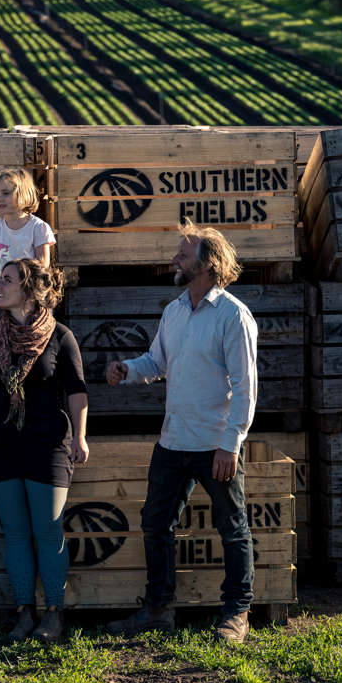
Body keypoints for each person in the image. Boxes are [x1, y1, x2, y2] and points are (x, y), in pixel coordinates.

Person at [104, 221, 258, 644]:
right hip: (173, 441)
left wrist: (230, 444)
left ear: (207, 264)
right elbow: (157, 363)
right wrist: (128, 370)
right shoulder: (173, 311)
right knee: (155, 524)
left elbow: (246, 387)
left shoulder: (233, 315)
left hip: (215, 445)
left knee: (233, 528)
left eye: (183, 254)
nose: (174, 258)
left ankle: (236, 614)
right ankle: (158, 610)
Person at [0, 258, 88, 642]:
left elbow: (77, 391)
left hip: (47, 444)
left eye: (6, 280)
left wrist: (81, 436)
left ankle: (54, 613)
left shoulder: (60, 336)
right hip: (0, 444)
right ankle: (24, 612)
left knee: (49, 531)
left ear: (29, 290)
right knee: (16, 533)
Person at [0, 168, 55, 312]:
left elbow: (42, 266)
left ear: (22, 193)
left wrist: (31, 295)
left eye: (6, 193)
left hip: (31, 299)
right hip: (5, 298)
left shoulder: (38, 227)